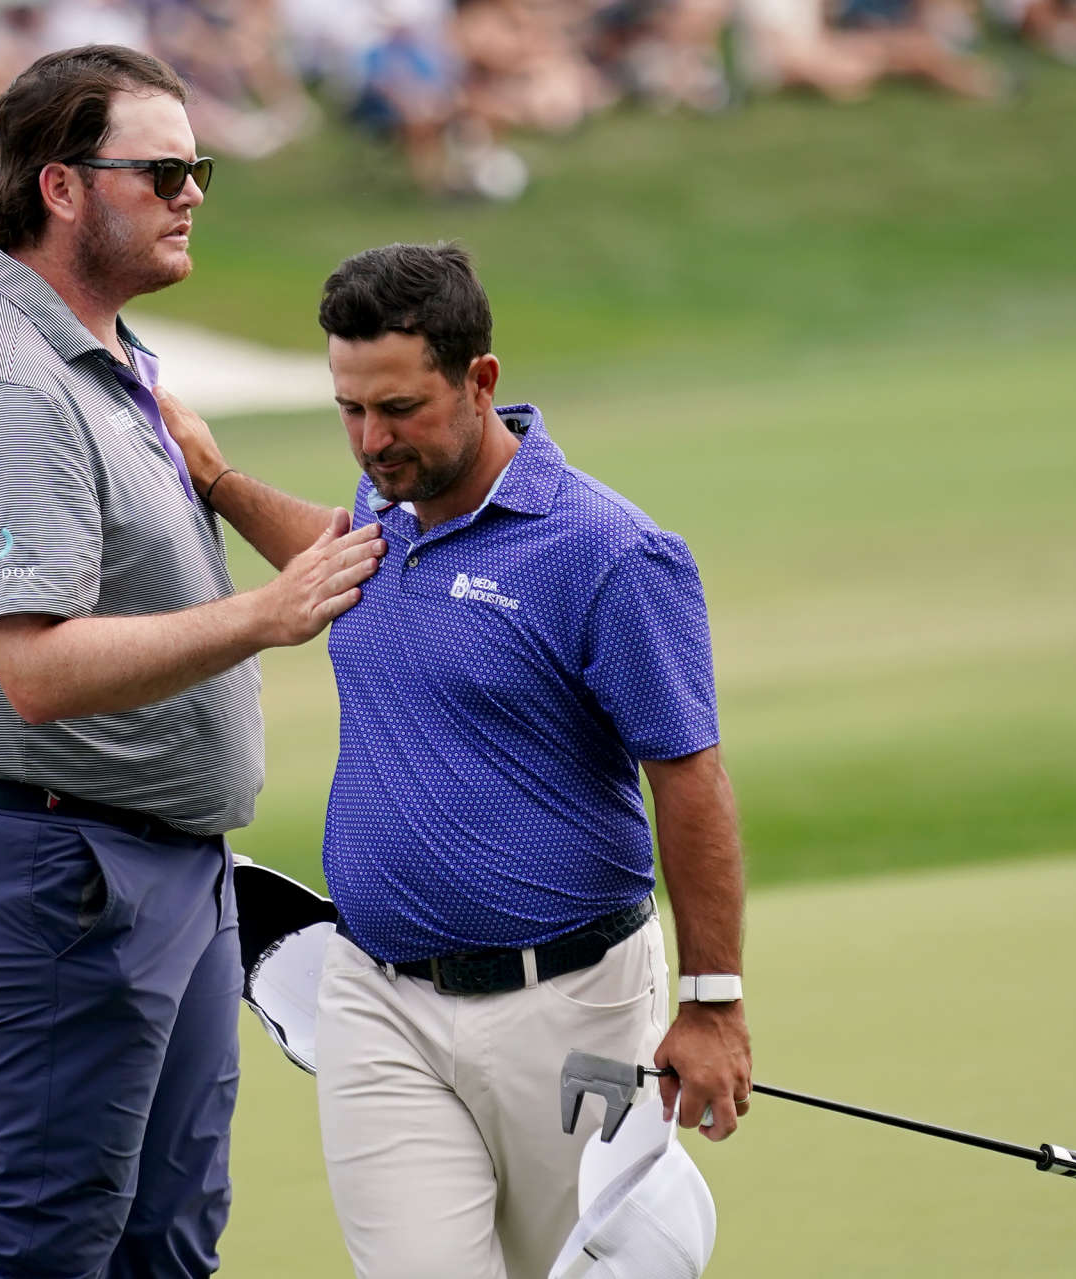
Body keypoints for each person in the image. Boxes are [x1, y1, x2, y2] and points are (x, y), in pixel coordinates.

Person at [158, 241, 753, 1279]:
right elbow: (339, 553)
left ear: (481, 380)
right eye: (349, 410)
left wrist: (712, 1002)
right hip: (375, 1001)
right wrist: (214, 477)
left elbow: (688, 776)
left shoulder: (607, 553)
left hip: (573, 1006)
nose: (372, 440)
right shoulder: (389, 502)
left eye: (399, 410)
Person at [0, 44, 385, 1279]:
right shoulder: (16, 386)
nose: (192, 195)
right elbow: (37, 669)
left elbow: (336, 559)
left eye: (198, 169)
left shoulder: (113, 366)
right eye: (163, 170)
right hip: (59, 873)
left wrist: (219, 480)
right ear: (61, 187)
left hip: (161, 871)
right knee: (42, 1241)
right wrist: (263, 617)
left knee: (164, 1239)